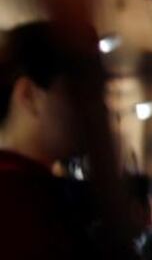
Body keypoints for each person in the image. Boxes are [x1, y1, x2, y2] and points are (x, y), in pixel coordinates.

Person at [0, 20, 96, 259]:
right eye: (76, 93)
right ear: (29, 95)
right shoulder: (16, 199)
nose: (94, 110)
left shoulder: (30, 186)